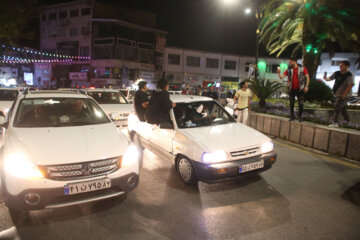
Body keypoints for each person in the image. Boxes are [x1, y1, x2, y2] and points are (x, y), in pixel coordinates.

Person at [277, 57, 310, 122]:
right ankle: (292, 117)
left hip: (300, 88)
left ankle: (300, 117)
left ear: (295, 61)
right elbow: (282, 77)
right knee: (291, 103)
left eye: (290, 62)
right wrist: (278, 73)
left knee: (301, 104)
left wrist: (307, 86)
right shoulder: (289, 69)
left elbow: (307, 77)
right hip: (292, 89)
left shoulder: (302, 68)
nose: (289, 63)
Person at [323, 60, 354, 127]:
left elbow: (350, 85)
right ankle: (347, 121)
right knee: (342, 108)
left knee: (337, 107)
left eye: (342, 65)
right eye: (340, 65)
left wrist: (344, 94)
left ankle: (335, 122)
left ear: (347, 66)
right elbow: (330, 78)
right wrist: (325, 78)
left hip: (344, 95)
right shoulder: (337, 73)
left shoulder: (349, 75)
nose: (340, 67)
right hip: (337, 94)